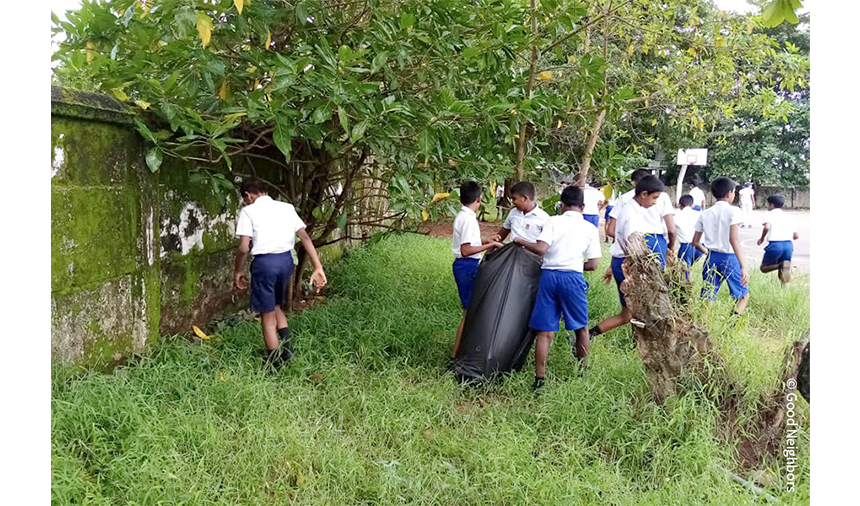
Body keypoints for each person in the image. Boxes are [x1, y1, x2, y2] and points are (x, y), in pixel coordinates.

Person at [513, 186, 601, 391]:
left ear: (562, 204)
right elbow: (594, 264)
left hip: (549, 276)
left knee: (544, 332)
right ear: (583, 206)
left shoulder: (552, 221)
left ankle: (539, 380)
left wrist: (520, 240)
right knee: (581, 328)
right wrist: (575, 265)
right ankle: (581, 372)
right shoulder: (590, 228)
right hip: (573, 277)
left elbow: (541, 249)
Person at [233, 177, 327, 369]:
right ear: (265, 191)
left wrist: (238, 270)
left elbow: (243, 247)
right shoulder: (287, 208)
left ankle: (275, 364)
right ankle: (288, 350)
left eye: (245, 199)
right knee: (276, 306)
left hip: (265, 264)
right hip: (286, 262)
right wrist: (318, 266)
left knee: (267, 317)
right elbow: (305, 237)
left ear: (248, 196)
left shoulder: (248, 211)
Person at [589, 176, 673, 339]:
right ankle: (645, 345)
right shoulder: (632, 215)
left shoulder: (631, 209)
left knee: (627, 315)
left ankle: (586, 335)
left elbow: (618, 239)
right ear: (643, 194)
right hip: (629, 266)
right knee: (643, 310)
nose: (656, 202)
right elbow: (631, 248)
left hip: (622, 263)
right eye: (654, 198)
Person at [451, 181, 504, 361]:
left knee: (472, 312)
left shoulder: (464, 216)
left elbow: (469, 242)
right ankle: (456, 356)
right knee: (470, 314)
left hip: (466, 266)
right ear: (479, 199)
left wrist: (486, 240)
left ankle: (462, 353)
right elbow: (466, 250)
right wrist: (491, 245)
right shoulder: (467, 219)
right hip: (467, 266)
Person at [692, 177, 750, 315]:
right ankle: (732, 325)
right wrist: (743, 266)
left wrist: (707, 253)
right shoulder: (734, 211)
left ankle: (702, 327)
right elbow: (734, 239)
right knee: (743, 295)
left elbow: (695, 242)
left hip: (711, 257)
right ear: (730, 193)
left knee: (708, 296)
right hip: (729, 258)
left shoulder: (705, 213)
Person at [757, 195, 799, 284]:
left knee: (764, 268)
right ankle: (784, 288)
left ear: (771, 205)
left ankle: (780, 265)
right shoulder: (788, 216)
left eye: (767, 204)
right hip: (788, 244)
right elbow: (796, 235)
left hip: (775, 244)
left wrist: (762, 238)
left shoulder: (769, 214)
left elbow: (767, 227)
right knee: (785, 268)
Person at [675, 194, 703, 268]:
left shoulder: (676, 215)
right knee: (691, 266)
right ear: (693, 205)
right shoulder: (699, 214)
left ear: (679, 205)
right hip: (700, 246)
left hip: (686, 246)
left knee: (685, 269)